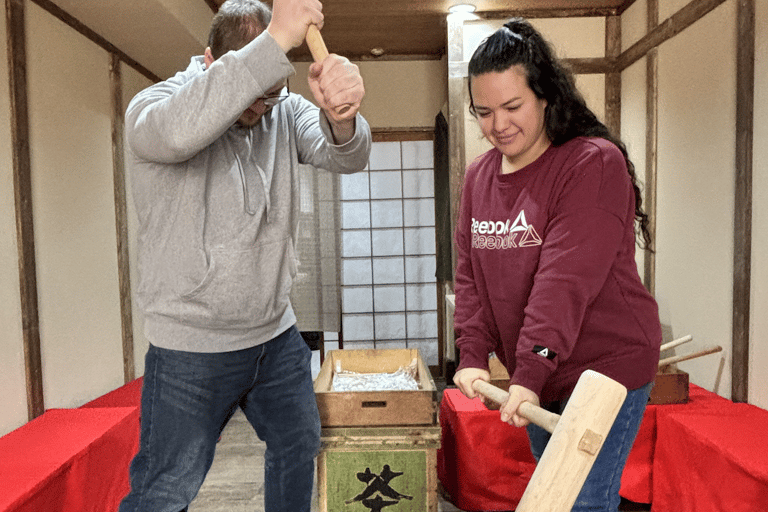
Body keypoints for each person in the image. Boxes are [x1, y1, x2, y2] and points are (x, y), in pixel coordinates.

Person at [118, 0, 371, 510]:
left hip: (274, 335)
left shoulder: (282, 109)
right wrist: (275, 41)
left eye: (271, 94)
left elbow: (348, 156)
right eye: (251, 95)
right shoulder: (154, 106)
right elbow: (179, 133)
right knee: (165, 489)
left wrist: (343, 118)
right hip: (190, 347)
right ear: (210, 60)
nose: (259, 109)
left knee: (299, 445)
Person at [451, 18, 661, 511]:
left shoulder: (591, 163)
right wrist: (472, 352)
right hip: (544, 370)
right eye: (484, 112)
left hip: (605, 367)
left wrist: (527, 373)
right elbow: (471, 275)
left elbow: (563, 283)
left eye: (512, 107)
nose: (498, 125)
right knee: (553, 497)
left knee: (581, 502)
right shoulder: (480, 176)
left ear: (545, 96)